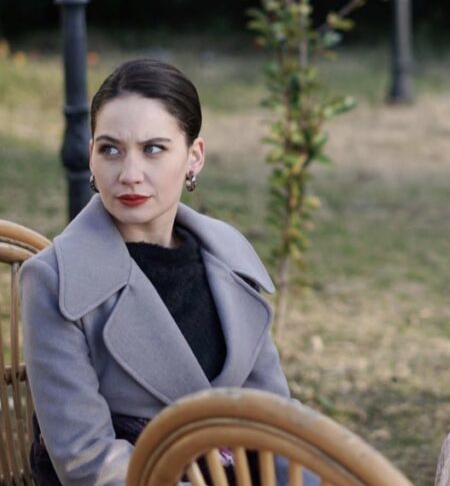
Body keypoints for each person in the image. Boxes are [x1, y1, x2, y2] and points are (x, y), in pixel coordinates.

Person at [20, 59, 291, 485]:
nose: (129, 175)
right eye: (110, 150)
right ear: (91, 156)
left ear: (194, 158)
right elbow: (87, 460)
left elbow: (279, 425)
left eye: (153, 149)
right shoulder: (54, 280)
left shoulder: (229, 257)